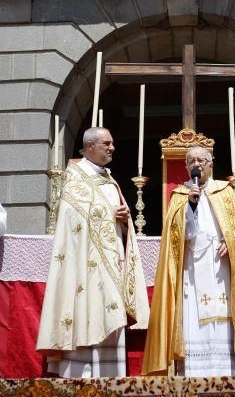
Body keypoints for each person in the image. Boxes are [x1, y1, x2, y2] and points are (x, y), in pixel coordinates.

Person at [142, 145, 235, 376]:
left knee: (223, 315)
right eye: (191, 161)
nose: (196, 164)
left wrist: (231, 243)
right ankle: (194, 373)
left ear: (210, 163)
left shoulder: (225, 192)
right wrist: (190, 206)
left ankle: (227, 373)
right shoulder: (180, 195)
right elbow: (178, 235)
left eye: (201, 160)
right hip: (191, 269)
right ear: (186, 167)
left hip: (221, 267)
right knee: (193, 317)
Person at [37, 127, 149, 377]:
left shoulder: (108, 178)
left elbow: (116, 218)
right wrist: (110, 215)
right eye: (106, 143)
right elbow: (72, 219)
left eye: (112, 143)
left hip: (110, 263)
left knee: (109, 312)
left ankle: (110, 379)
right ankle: (81, 375)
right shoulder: (75, 178)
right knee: (85, 308)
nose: (112, 147)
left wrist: (123, 220)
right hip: (84, 269)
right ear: (90, 146)